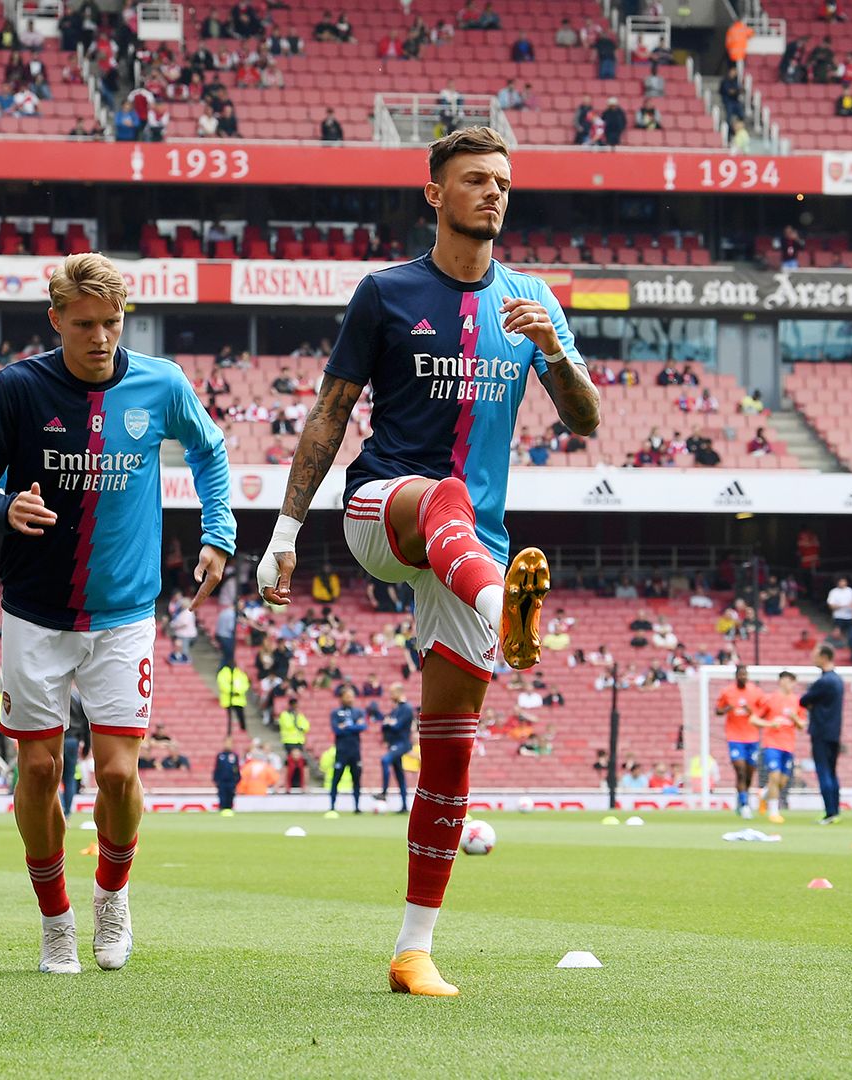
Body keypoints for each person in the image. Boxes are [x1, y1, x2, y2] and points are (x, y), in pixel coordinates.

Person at [253, 126, 601, 997]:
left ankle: (414, 950)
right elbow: (331, 414)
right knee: (442, 495)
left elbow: (586, 420)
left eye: (503, 182)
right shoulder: (386, 293)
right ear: (433, 193)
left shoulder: (531, 301)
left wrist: (551, 348)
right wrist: (285, 532)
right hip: (387, 512)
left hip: (474, 549)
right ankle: (503, 611)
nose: (493, 193)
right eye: (476, 180)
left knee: (450, 750)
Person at [0, 252, 237, 975]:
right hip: (34, 614)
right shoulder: (19, 388)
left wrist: (218, 533)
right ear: (56, 321)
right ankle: (55, 921)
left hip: (123, 613)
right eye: (84, 325)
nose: (101, 337)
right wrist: (1, 505)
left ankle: (112, 895)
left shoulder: (161, 383)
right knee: (39, 769)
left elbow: (210, 451)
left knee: (115, 776)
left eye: (111, 323)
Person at [799, 646, 845, 823]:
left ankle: (830, 812)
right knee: (832, 772)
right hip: (834, 732)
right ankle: (835, 810)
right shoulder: (838, 680)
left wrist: (812, 705)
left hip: (821, 732)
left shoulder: (824, 681)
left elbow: (803, 700)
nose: (812, 657)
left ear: (824, 657)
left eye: (815, 655)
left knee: (824, 771)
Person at [753, 671, 805, 823]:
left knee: (782, 781)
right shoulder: (770, 699)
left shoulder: (797, 701)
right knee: (774, 777)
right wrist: (770, 723)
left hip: (788, 745)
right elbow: (754, 719)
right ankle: (774, 812)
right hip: (772, 744)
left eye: (793, 681)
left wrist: (795, 717)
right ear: (781, 681)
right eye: (789, 680)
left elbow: (802, 725)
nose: (791, 684)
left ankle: (763, 795)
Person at [715, 665, 764, 819]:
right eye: (740, 675)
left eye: (745, 675)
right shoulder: (727, 692)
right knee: (740, 770)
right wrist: (726, 709)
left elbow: (762, 712)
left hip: (752, 738)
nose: (743, 677)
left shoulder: (756, 692)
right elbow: (717, 710)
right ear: (736, 676)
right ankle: (744, 804)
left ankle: (743, 796)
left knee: (749, 773)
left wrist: (752, 712)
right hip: (735, 738)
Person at [327, 686, 367, 817]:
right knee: (336, 779)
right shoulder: (335, 713)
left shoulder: (358, 712)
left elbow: (363, 726)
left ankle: (357, 807)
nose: (350, 698)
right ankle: (332, 806)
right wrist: (353, 726)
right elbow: (336, 730)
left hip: (355, 751)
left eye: (352, 696)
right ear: (342, 698)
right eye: (348, 696)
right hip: (341, 751)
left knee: (356, 779)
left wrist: (347, 726)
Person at [377, 682, 414, 812]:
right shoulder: (396, 709)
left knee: (385, 760)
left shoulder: (407, 708)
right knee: (399, 775)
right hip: (394, 744)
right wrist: (389, 723)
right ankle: (404, 806)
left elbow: (396, 726)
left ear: (399, 693)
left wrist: (389, 723)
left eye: (392, 693)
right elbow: (385, 725)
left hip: (402, 744)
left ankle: (384, 792)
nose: (390, 696)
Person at [277, 695, 311, 790]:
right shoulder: (284, 715)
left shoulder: (300, 715)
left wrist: (298, 725)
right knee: (290, 763)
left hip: (299, 742)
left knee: (301, 763)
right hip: (289, 742)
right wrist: (297, 723)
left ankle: (300, 783)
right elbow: (288, 725)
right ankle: (288, 784)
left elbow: (306, 726)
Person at [217, 661, 250, 732]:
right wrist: (232, 691)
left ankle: (243, 731)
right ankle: (229, 733)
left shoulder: (240, 673)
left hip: (239, 700)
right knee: (227, 719)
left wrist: (237, 691)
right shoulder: (223, 673)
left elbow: (245, 684)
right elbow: (223, 685)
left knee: (241, 717)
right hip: (227, 700)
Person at [212, 738, 241, 813]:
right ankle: (221, 811)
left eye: (230, 743)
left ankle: (229, 812)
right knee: (222, 798)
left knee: (230, 798)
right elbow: (217, 768)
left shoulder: (234, 756)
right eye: (226, 743)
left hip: (231, 782)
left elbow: (237, 769)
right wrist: (216, 780)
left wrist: (236, 780)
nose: (228, 745)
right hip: (222, 782)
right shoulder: (220, 756)